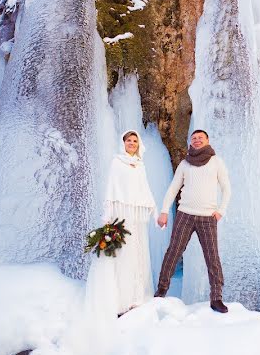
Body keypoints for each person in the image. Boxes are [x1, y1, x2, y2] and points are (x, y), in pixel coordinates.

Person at [154, 129, 231, 313]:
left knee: (212, 258)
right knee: (173, 252)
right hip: (185, 215)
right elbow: (173, 188)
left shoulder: (216, 162)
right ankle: (161, 291)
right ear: (190, 141)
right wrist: (164, 211)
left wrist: (220, 211)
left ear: (207, 140)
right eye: (194, 138)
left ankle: (216, 298)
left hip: (207, 218)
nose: (196, 140)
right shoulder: (185, 164)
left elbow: (227, 188)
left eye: (200, 138)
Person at [86, 130, 158, 316]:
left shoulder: (140, 165)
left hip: (135, 214)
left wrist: (153, 208)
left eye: (135, 141)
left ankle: (137, 295)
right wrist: (108, 214)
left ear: (139, 144)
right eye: (128, 140)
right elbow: (112, 188)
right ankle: (121, 297)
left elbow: (144, 188)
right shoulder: (117, 162)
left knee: (137, 250)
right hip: (121, 212)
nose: (132, 143)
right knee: (123, 252)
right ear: (123, 143)